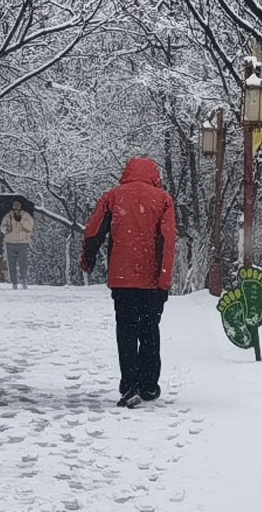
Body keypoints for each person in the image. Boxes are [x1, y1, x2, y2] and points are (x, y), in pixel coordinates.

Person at [77, 156, 191, 406]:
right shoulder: (162, 200)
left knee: (126, 331)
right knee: (150, 330)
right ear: (154, 175)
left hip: (122, 278)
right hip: (151, 281)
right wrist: (164, 278)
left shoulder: (113, 197)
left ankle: (129, 385)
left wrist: (88, 259)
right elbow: (168, 240)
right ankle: (149, 385)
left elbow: (93, 231)